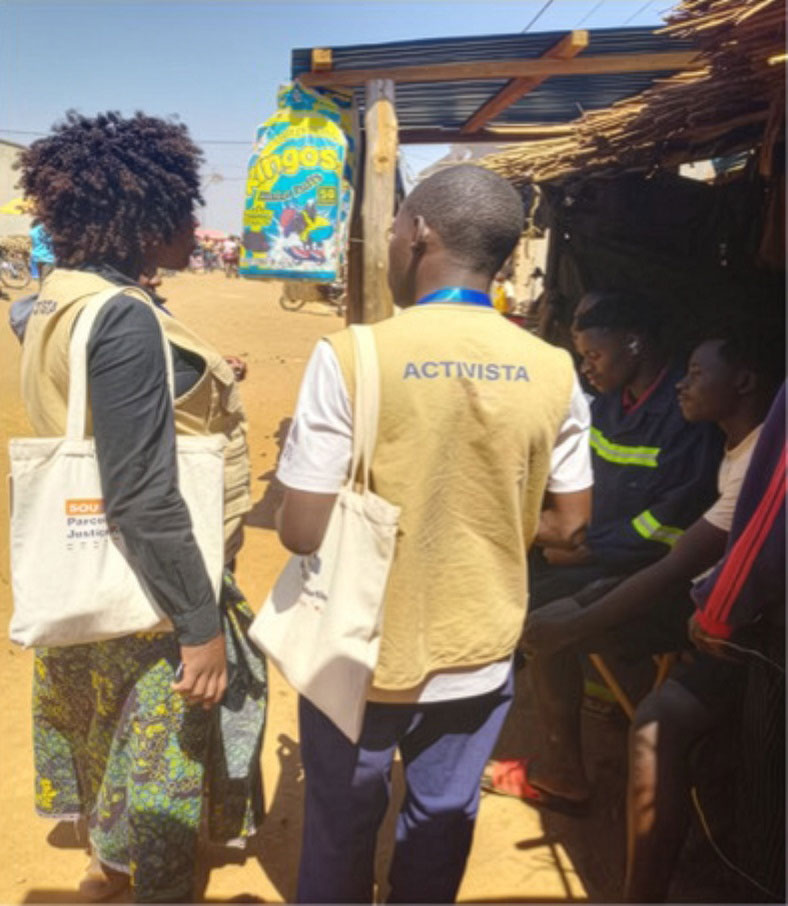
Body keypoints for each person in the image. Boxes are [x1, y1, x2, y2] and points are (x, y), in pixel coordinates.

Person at [274, 163, 594, 904]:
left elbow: (299, 530)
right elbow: (572, 525)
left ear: (419, 232)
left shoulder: (351, 356)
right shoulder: (554, 368)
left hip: (359, 653)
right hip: (479, 651)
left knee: (340, 822)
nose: (388, 244)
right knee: (442, 819)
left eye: (391, 229)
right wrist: (488, 525)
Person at [16, 111, 266, 904]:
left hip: (89, 567)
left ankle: (106, 868)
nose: (194, 227)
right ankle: (150, 884)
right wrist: (198, 627)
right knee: (164, 774)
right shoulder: (123, 318)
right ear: (143, 217)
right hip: (151, 593)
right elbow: (143, 493)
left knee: (107, 736)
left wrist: (198, 376)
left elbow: (103, 402)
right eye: (183, 211)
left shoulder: (59, 296)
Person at [521, 320, 783, 901]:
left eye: (696, 374)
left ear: (742, 382)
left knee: (631, 697)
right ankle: (564, 768)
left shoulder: (761, 462)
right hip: (703, 605)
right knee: (560, 612)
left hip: (733, 629)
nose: (683, 388)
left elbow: (672, 564)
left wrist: (577, 620)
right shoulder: (739, 451)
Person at [485, 291, 723, 808]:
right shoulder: (608, 402)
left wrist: (589, 550)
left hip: (660, 578)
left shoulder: (686, 415)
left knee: (544, 619)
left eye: (594, 355)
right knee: (506, 575)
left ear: (634, 344)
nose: (586, 367)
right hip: (601, 556)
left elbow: (671, 527)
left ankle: (562, 773)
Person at [29, 220, 55, 285]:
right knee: (46, 281)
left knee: (41, 279)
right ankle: (43, 293)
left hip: (36, 257)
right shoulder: (50, 230)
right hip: (48, 258)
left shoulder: (33, 232)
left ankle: (41, 292)